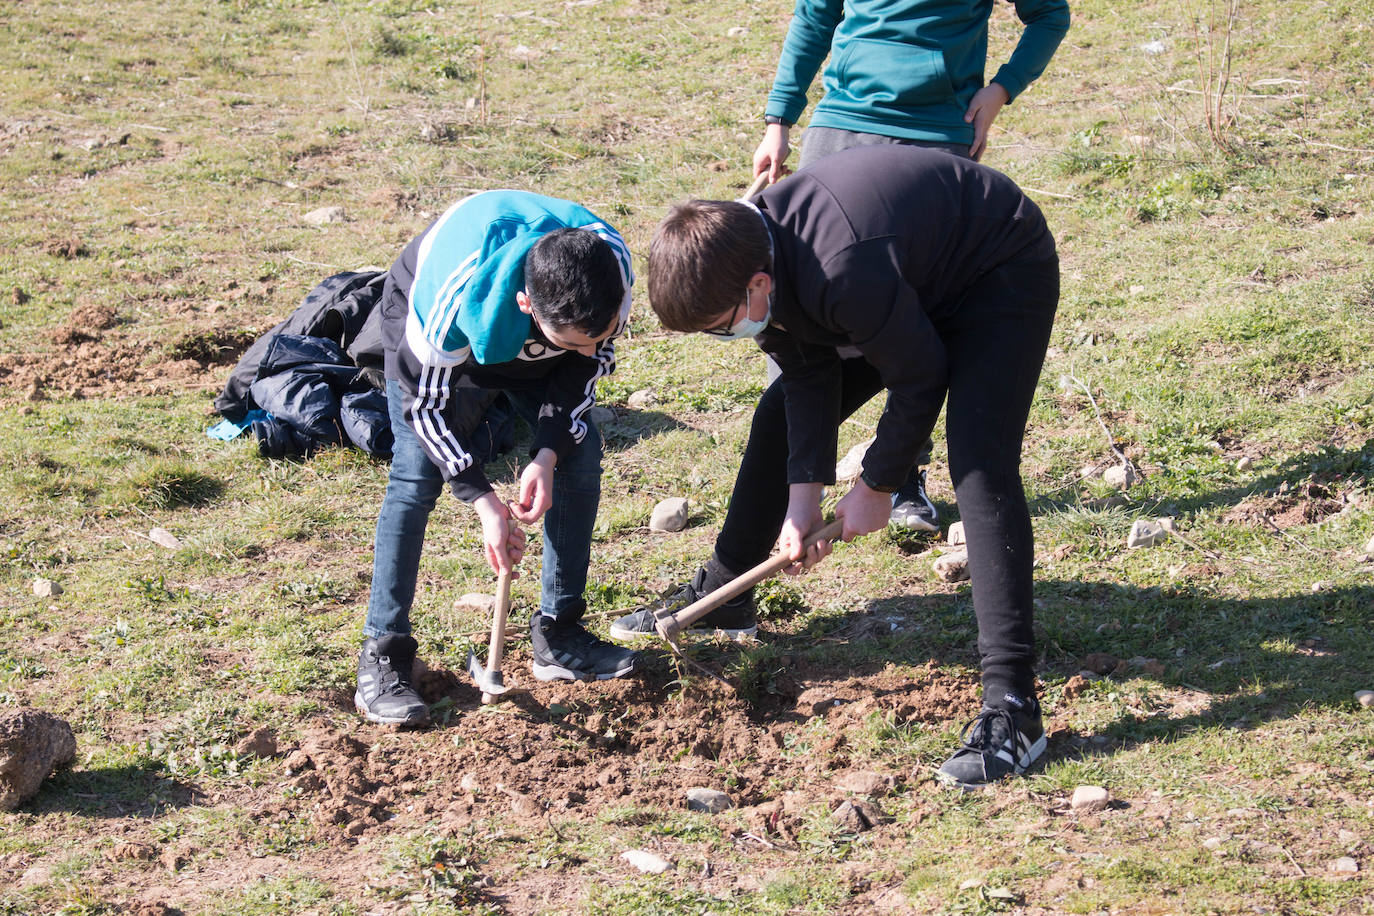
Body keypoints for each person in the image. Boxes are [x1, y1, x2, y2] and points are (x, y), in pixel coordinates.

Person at [611, 145, 1059, 788]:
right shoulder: (752, 248)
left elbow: (922, 375)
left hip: (995, 267)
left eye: (717, 327)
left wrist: (877, 484)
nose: (720, 338)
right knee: (778, 414)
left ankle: (1013, 709)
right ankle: (727, 592)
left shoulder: (837, 268)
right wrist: (802, 506)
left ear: (757, 285)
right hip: (904, 281)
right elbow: (809, 370)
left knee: (979, 462)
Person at [751, 0, 1070, 533]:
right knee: (802, 313)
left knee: (915, 319)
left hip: (936, 131)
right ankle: (796, 491)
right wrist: (779, 117)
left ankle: (899, 476)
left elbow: (1049, 16)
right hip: (839, 124)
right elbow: (814, 15)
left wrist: (1001, 90)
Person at [354, 190, 640, 727]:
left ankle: (559, 632)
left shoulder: (609, 270)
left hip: (536, 343)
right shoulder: (447, 296)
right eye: (574, 340)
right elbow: (425, 409)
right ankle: (384, 652)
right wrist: (482, 498)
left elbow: (585, 365)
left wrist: (549, 452)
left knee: (580, 458)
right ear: (529, 305)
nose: (589, 348)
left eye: (598, 335)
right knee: (415, 477)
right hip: (451, 339)